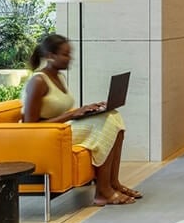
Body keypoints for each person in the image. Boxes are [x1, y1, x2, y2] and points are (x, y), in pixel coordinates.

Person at [21, 33, 140, 206]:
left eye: (69, 54)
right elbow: (29, 127)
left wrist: (88, 109)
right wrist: (73, 114)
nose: (70, 58)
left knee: (113, 116)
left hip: (61, 129)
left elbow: (60, 111)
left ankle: (113, 183)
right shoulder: (38, 82)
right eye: (65, 54)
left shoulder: (59, 77)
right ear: (50, 56)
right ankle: (102, 191)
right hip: (45, 136)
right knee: (107, 123)